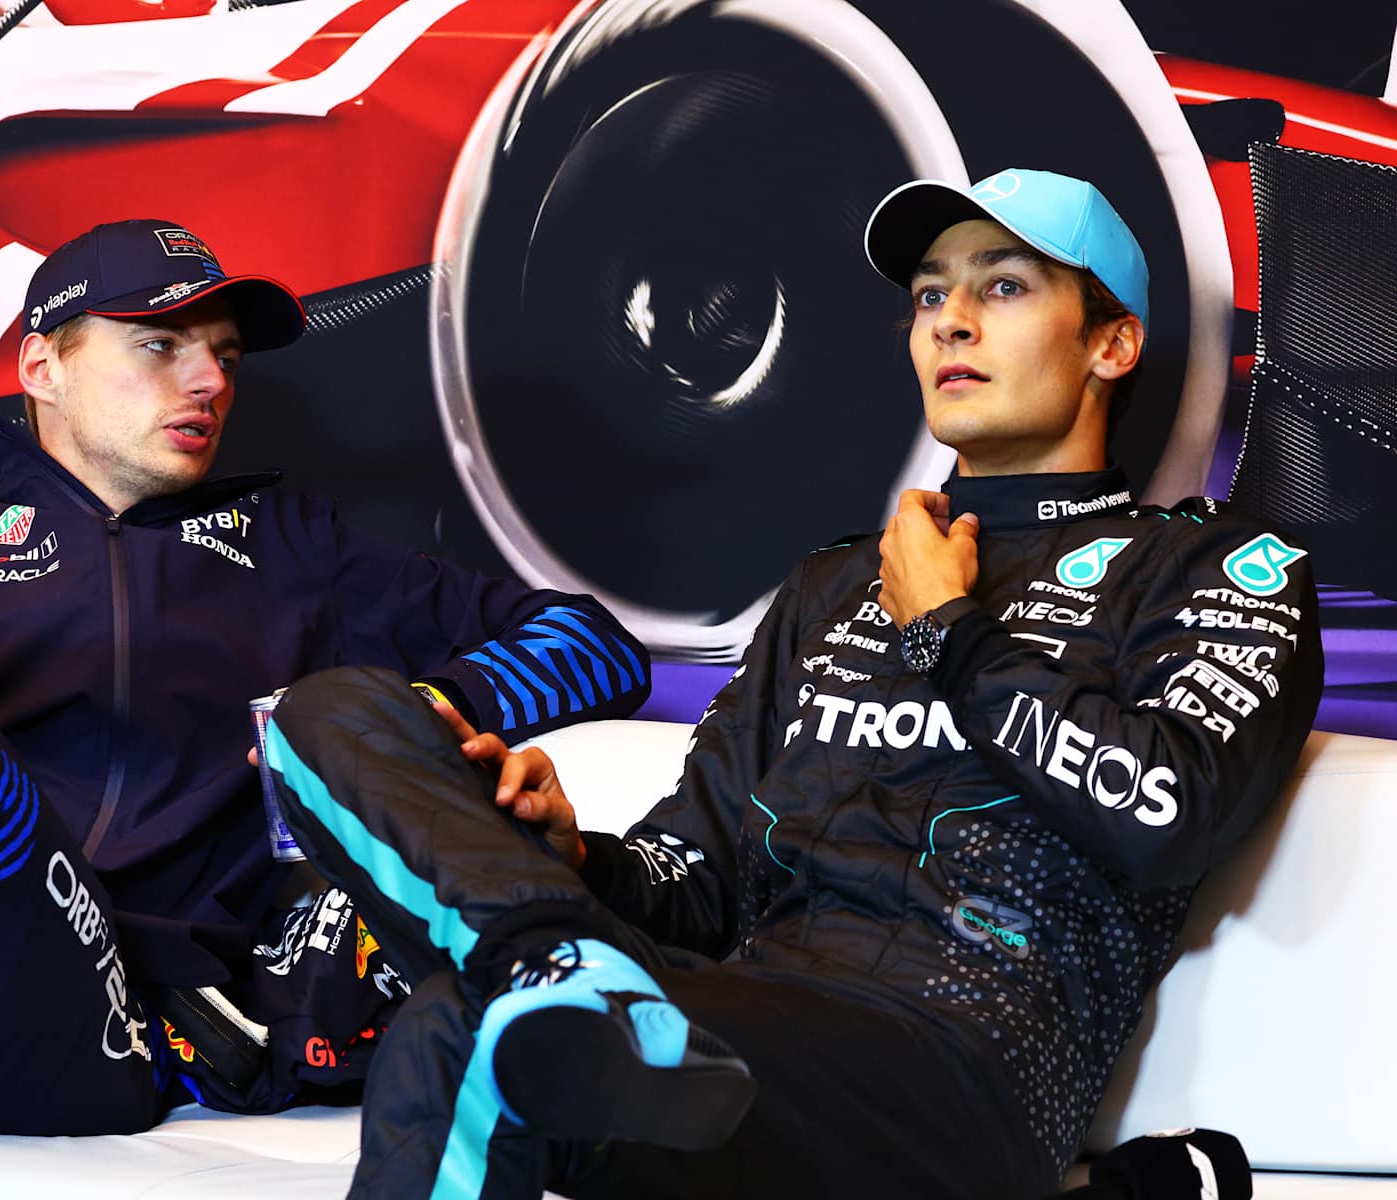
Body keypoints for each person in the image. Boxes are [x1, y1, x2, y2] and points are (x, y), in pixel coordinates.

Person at [261, 169, 1325, 1198]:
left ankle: (558, 976)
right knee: (330, 716)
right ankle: (549, 957)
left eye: (1003, 285)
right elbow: (697, 880)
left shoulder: (1215, 568)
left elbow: (1165, 813)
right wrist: (572, 855)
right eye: (928, 294)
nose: (950, 320)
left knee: (464, 1030)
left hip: (958, 1066)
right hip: (725, 1032)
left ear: (1112, 343)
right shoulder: (829, 583)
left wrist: (946, 632)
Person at [0, 219, 649, 1198]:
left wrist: (414, 715)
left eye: (224, 355)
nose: (207, 380)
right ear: (41, 367)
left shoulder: (296, 552)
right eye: (160, 343)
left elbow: (593, 644)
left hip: (92, 1019)